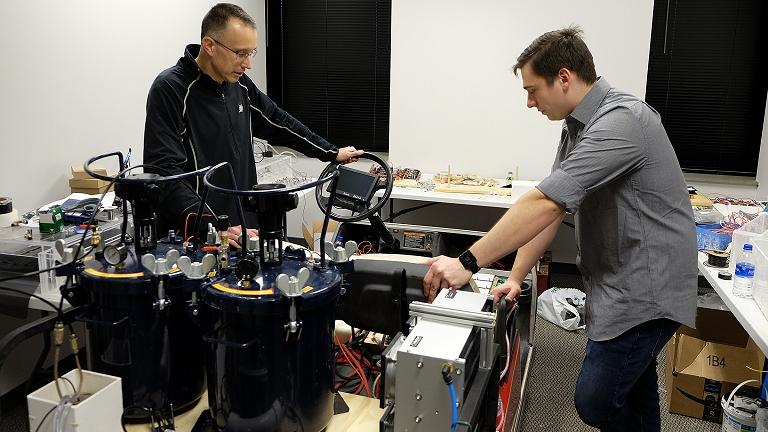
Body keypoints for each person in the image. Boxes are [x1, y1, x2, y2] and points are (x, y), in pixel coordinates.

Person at [423, 26, 696, 431]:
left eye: (533, 90)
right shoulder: (576, 127)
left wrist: (468, 261)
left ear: (564, 78)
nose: (530, 102)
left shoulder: (624, 120)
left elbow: (544, 202)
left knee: (595, 400)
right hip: (617, 281)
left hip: (647, 290)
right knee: (634, 390)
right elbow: (552, 210)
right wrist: (516, 277)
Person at [143, 3, 362, 247]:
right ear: (209, 46)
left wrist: (331, 152)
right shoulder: (171, 88)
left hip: (244, 227)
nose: (248, 64)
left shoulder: (240, 85)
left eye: (251, 53)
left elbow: (278, 122)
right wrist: (210, 226)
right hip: (198, 235)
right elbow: (165, 171)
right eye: (240, 53)